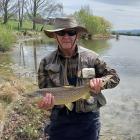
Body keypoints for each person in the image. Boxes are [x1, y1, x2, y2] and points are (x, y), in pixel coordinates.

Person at [38, 17, 120, 140]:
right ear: (55, 36)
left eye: (71, 32)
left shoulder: (92, 58)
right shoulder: (46, 62)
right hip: (59, 119)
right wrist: (45, 105)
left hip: (89, 119)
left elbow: (114, 77)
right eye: (61, 33)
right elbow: (44, 91)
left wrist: (101, 82)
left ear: (77, 35)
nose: (66, 36)